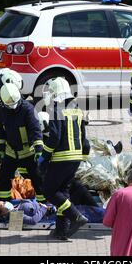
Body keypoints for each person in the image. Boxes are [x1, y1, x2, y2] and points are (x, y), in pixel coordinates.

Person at [38, 77, 90, 240]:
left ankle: (76, 216)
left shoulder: (55, 108)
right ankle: (62, 230)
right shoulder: (76, 108)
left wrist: (44, 156)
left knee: (49, 190)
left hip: (62, 157)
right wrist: (84, 155)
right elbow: (83, 137)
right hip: (75, 158)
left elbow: (54, 137)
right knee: (63, 192)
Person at [0, 83, 45, 202]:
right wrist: (1, 149)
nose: (13, 107)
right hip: (11, 152)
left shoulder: (28, 109)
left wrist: (38, 149)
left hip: (27, 151)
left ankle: (43, 203)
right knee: (4, 178)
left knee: (37, 178)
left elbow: (35, 130)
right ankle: (4, 203)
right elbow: (1, 131)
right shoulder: (2, 110)